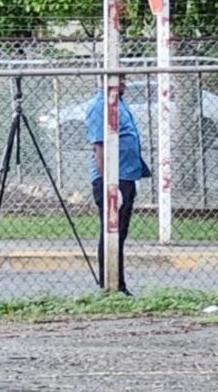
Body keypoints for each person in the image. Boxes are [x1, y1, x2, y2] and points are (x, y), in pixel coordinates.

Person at [86, 74, 148, 295]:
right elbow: (99, 148)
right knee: (111, 232)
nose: (122, 82)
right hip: (112, 178)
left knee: (120, 233)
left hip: (126, 175)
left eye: (123, 79)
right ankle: (111, 285)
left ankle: (118, 284)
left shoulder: (119, 102)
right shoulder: (99, 106)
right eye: (117, 79)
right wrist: (108, 184)